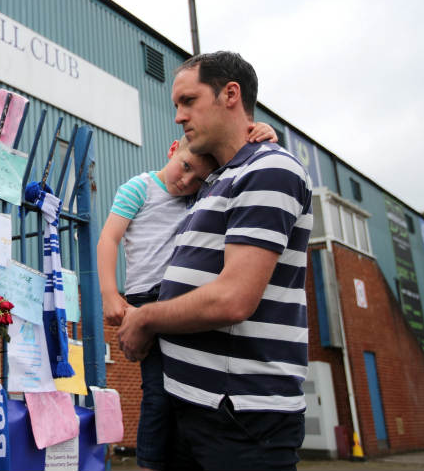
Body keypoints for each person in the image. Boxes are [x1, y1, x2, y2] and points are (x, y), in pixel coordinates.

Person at [117, 51, 312, 470]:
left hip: (241, 418)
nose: (178, 116)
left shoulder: (270, 170)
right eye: (176, 105)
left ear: (230, 94)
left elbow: (233, 300)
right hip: (197, 407)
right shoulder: (215, 182)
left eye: (188, 101)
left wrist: (146, 318)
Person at [98, 125, 275, 471]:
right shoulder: (140, 187)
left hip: (182, 300)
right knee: (157, 392)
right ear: (173, 149)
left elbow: (237, 164)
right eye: (186, 167)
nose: (187, 182)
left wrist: (263, 133)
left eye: (198, 179)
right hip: (145, 300)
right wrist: (109, 293)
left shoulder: (198, 198)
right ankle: (149, 462)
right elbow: (109, 238)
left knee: (188, 389)